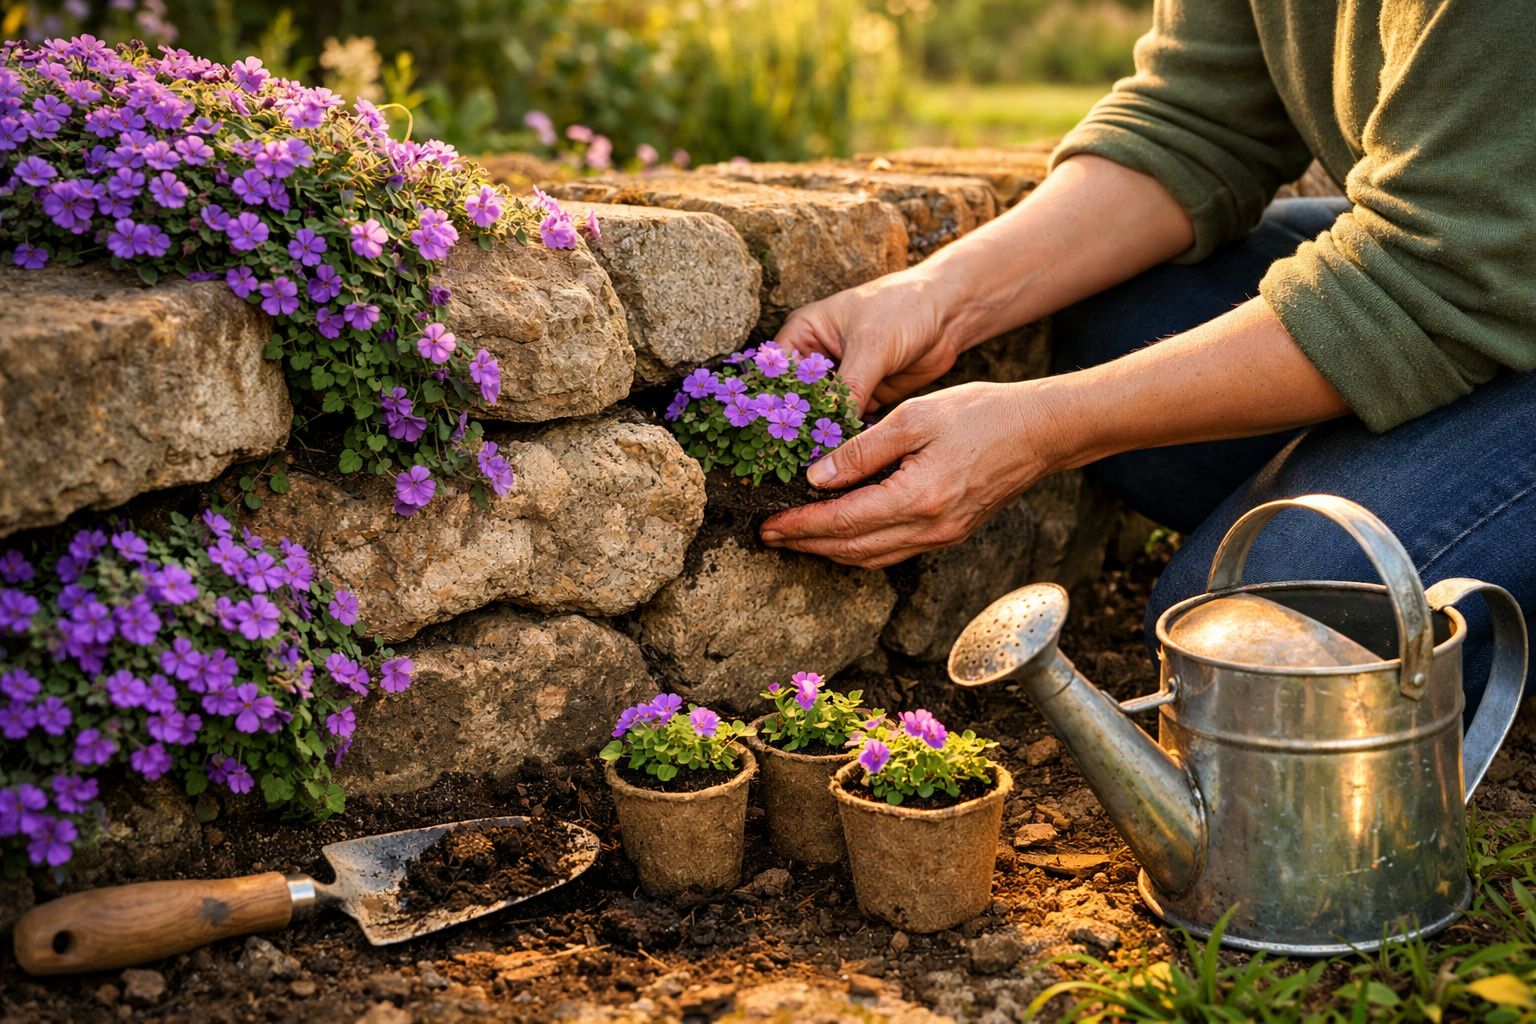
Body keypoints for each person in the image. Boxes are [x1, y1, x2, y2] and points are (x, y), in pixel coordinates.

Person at [760, 1, 1536, 702]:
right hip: (1487, 248)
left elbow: (1443, 268)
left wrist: (1041, 429)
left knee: (1262, 633)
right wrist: (937, 295)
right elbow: (1196, 121)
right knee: (1120, 321)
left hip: (1480, 260)